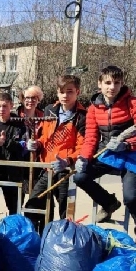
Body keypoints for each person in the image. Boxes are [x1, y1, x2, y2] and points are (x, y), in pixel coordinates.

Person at [74, 65, 136, 247]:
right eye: (108, 83)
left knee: (131, 197)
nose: (112, 87)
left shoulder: (134, 103)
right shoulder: (94, 108)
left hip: (132, 156)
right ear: (99, 84)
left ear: (122, 84)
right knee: (80, 176)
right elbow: (91, 138)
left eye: (116, 83)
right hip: (107, 154)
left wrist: (126, 144)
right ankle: (109, 203)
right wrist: (84, 158)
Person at [24, 75, 86, 233]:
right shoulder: (50, 110)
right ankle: (41, 238)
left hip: (66, 171)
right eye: (62, 91)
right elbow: (45, 136)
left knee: (65, 211)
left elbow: (82, 145)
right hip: (47, 169)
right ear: (57, 93)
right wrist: (36, 143)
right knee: (33, 204)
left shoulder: (81, 116)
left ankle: (65, 243)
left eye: (70, 91)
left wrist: (68, 160)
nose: (65, 95)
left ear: (77, 92)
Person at [17, 85, 45, 195]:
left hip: (38, 161)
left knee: (37, 196)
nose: (30, 101)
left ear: (38, 99)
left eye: (34, 98)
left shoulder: (44, 116)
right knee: (19, 197)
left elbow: (47, 136)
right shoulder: (16, 116)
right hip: (20, 161)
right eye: (27, 98)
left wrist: (38, 143)